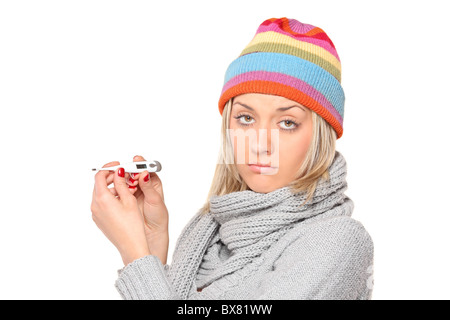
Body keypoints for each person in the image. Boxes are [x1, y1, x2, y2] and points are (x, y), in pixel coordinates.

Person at [91, 17, 374, 300]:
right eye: (246, 118)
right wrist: (151, 242)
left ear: (322, 135)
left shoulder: (337, 242)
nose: (260, 144)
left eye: (287, 122)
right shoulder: (207, 231)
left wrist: (136, 257)